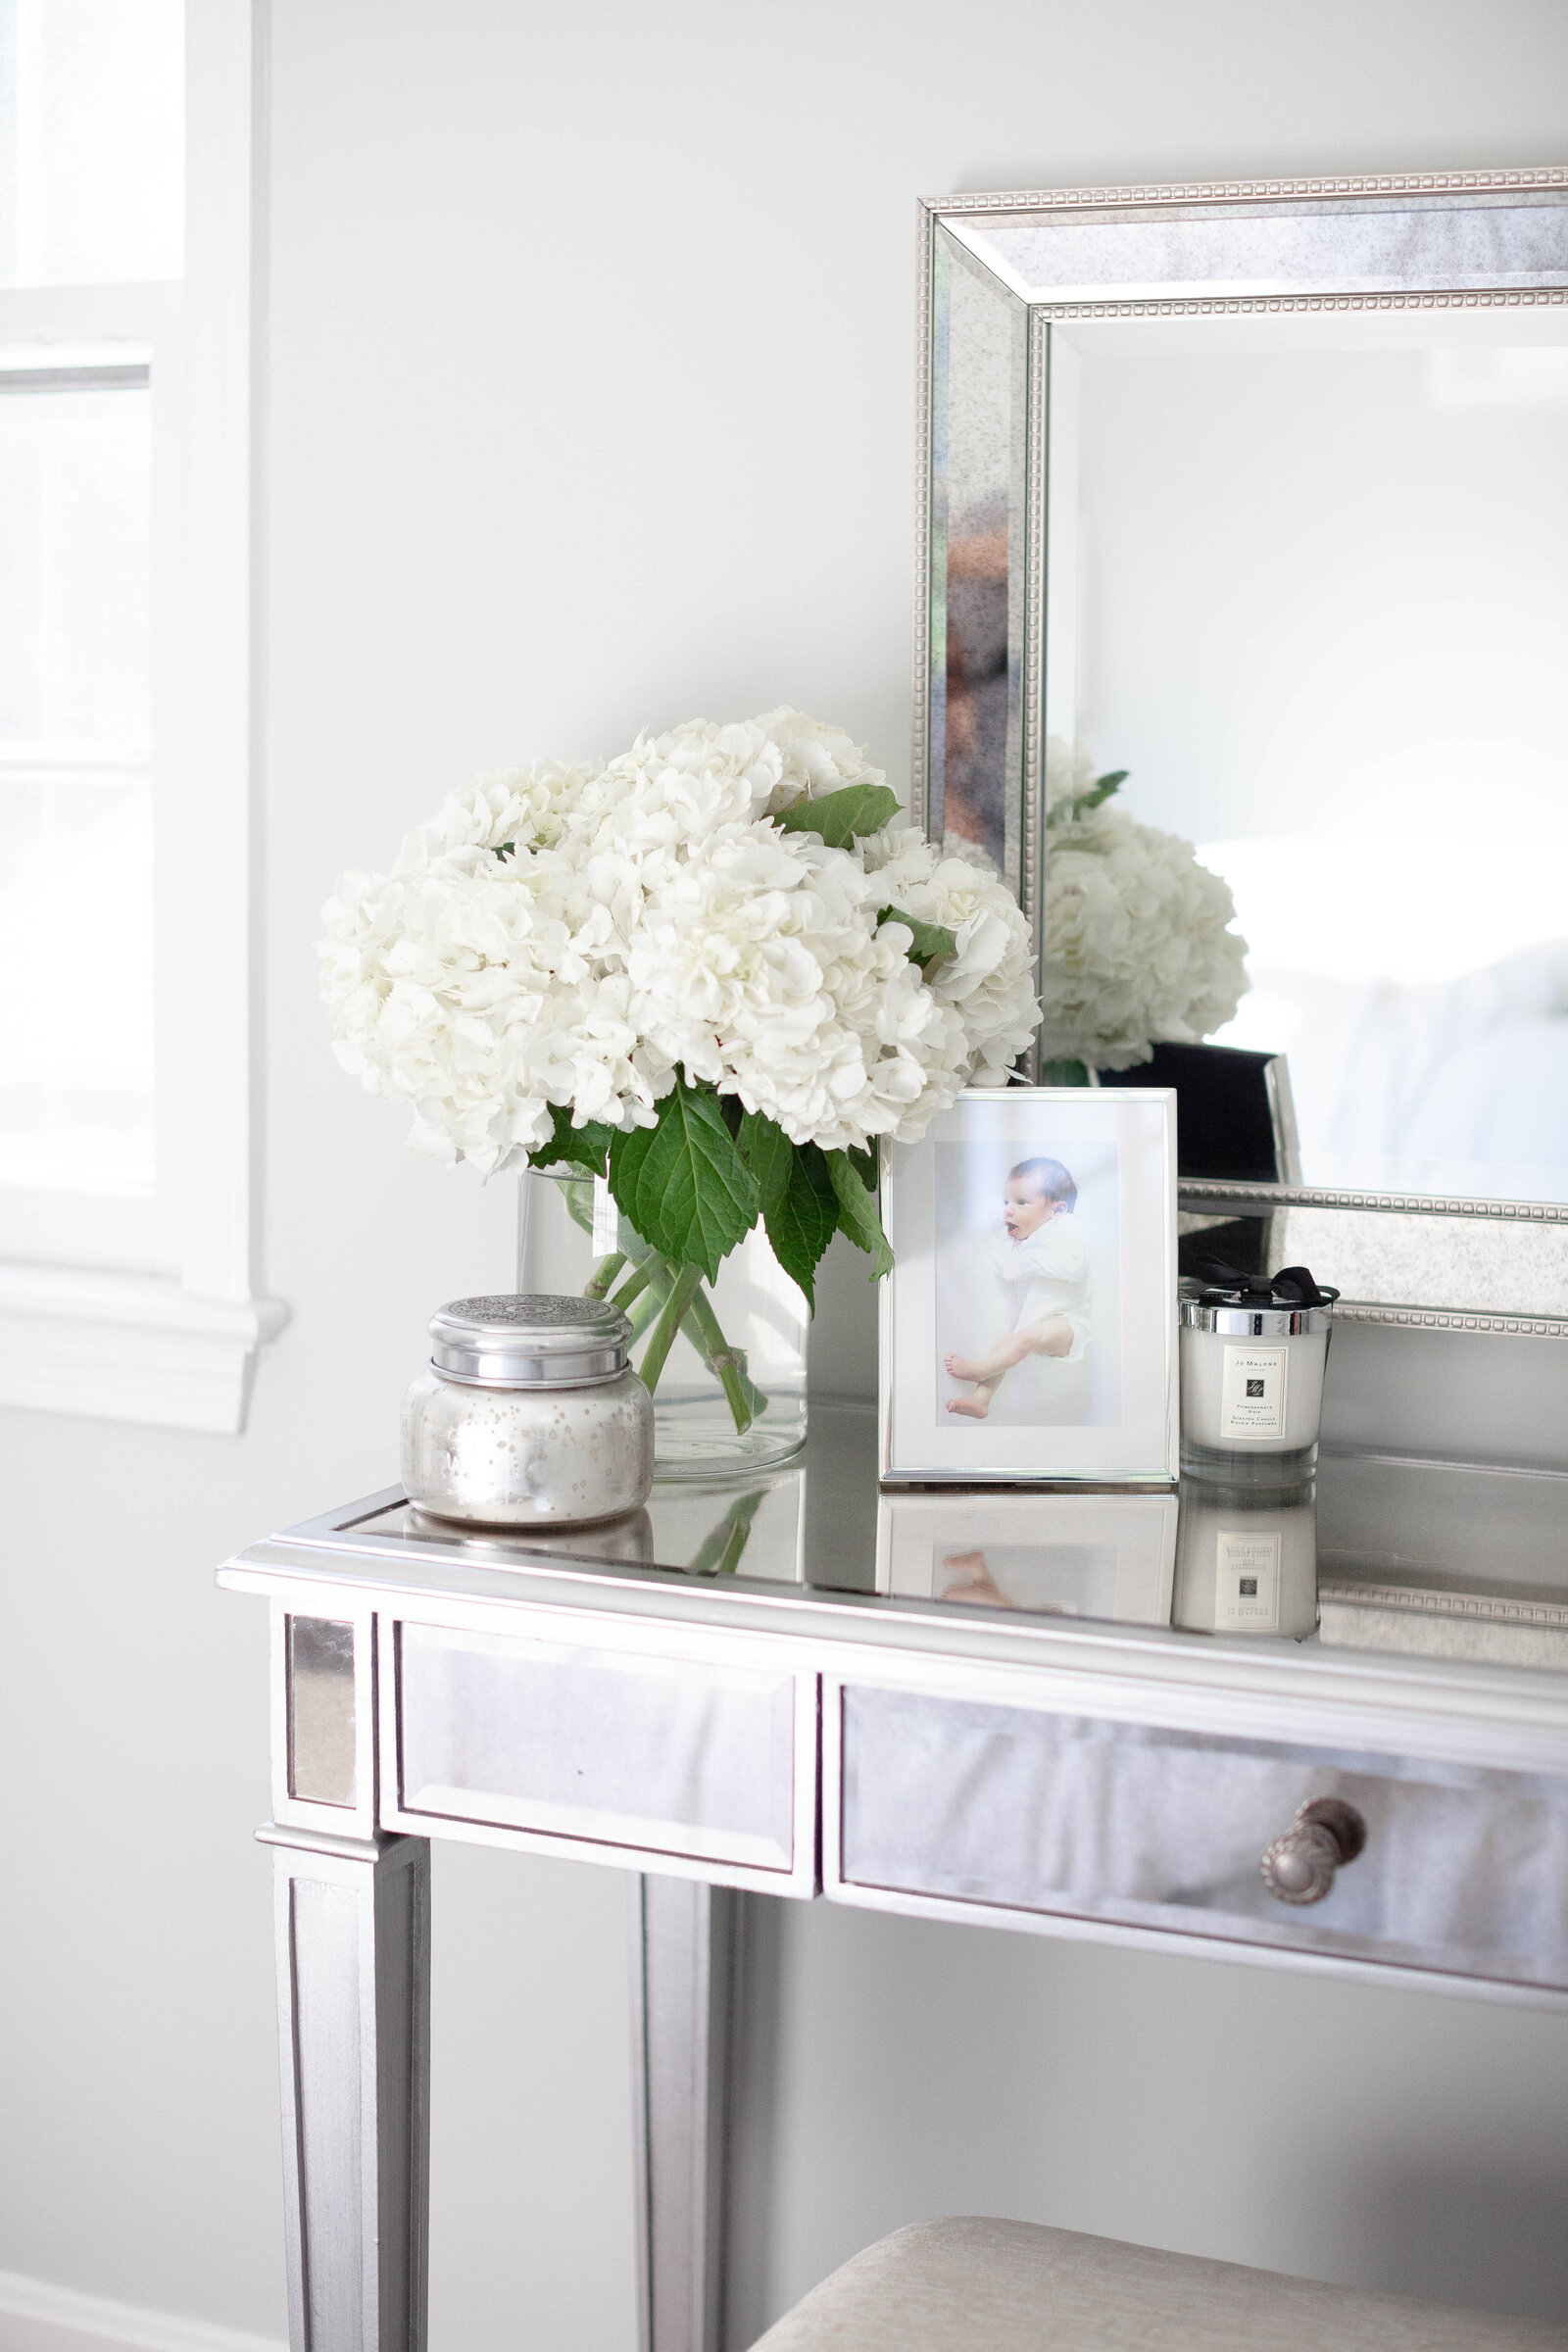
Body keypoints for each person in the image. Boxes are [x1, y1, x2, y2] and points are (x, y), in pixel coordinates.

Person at [944, 1155, 1091, 1420]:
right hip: (1030, 1320)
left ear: (1057, 1211)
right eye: (1006, 1202)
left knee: (1026, 1336)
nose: (1008, 1210)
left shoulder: (1066, 1228)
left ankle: (981, 1370)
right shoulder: (1018, 1240)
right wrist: (1001, 1238)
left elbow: (1073, 1267)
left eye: (1021, 1202)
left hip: (1069, 1323)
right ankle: (981, 1399)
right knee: (1005, 1342)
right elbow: (1005, 1268)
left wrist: (1027, 1260)